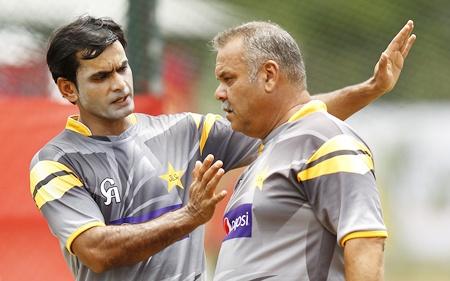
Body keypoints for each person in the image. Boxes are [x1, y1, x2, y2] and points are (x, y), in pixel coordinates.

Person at [29, 15, 414, 281]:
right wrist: (188, 217)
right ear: (67, 89)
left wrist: (369, 89)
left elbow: (289, 119)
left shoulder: (186, 131)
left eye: (122, 68)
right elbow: (96, 251)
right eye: (101, 76)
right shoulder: (55, 162)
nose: (120, 84)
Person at [211, 21, 415, 281]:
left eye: (228, 79)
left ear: (269, 75)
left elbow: (365, 241)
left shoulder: (324, 139)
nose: (219, 93)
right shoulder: (269, 150)